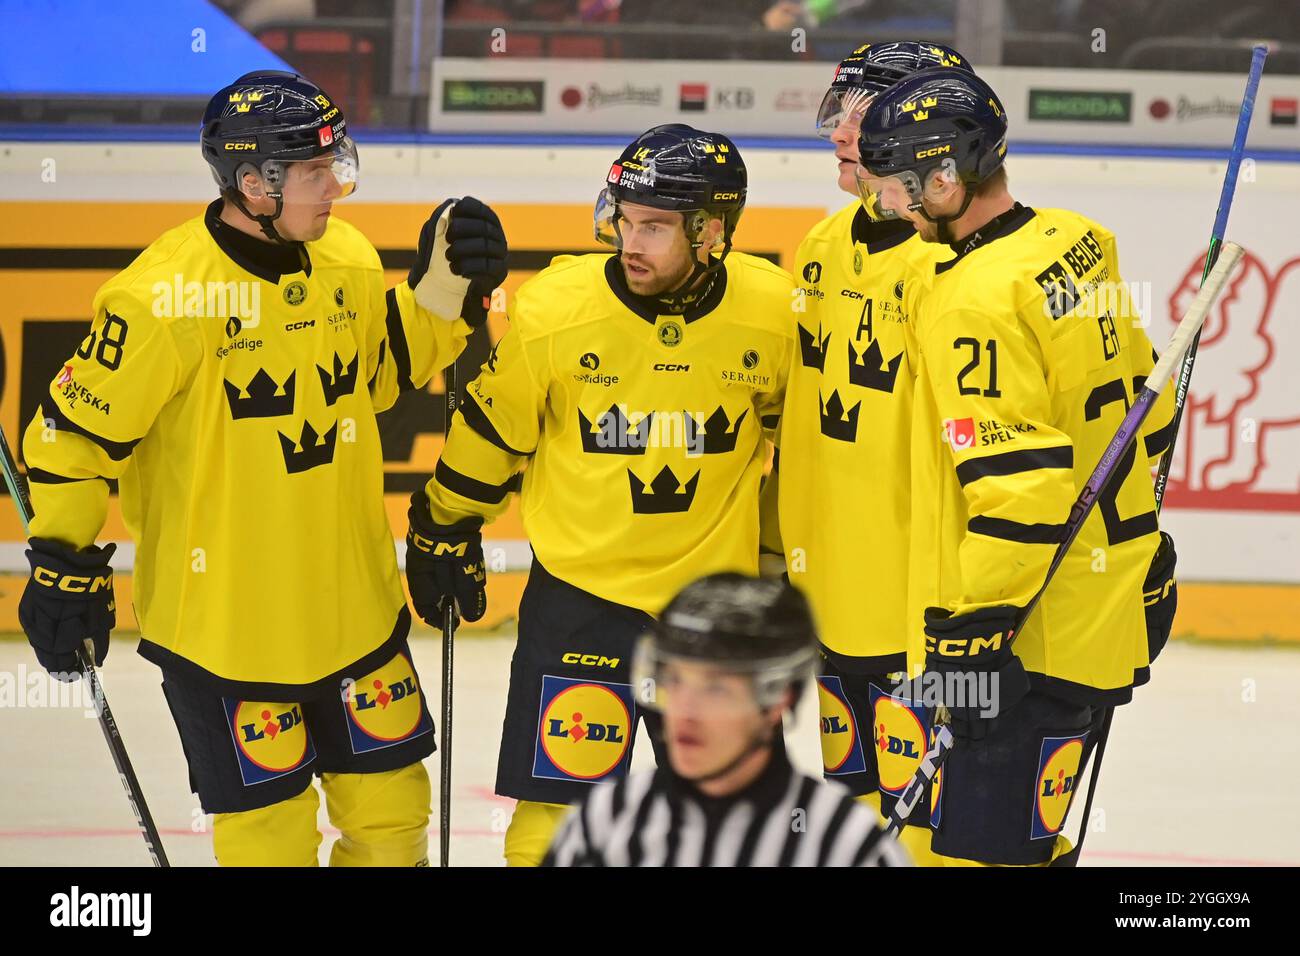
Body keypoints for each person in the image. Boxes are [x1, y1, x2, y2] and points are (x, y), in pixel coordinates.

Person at [17, 70, 508, 866]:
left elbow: (376, 377)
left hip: (355, 612)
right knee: (269, 847)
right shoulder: (162, 297)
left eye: (336, 161)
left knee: (393, 831)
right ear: (253, 183)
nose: (336, 187)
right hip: (227, 633)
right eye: (316, 171)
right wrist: (64, 566)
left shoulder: (340, 254)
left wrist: (442, 299)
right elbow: (72, 441)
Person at [406, 124, 797, 866]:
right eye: (624, 218)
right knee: (556, 818)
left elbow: (803, 458)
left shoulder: (774, 315)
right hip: (581, 598)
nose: (630, 241)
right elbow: (495, 432)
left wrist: (776, 561)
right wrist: (442, 527)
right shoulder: (557, 310)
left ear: (712, 231)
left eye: (654, 226)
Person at [856, 67, 1178, 866]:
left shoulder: (973, 301)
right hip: (1099, 603)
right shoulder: (1076, 241)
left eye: (901, 185)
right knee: (1025, 846)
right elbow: (1147, 406)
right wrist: (1141, 548)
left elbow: (1021, 485)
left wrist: (975, 629)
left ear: (945, 175)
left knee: (984, 857)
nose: (890, 204)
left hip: (1025, 634)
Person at [758, 40, 974, 867]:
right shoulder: (823, 243)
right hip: (832, 600)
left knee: (926, 828)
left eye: (864, 109)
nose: (840, 131)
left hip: (919, 612)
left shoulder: (952, 266)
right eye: (841, 107)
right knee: (851, 812)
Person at [543, 573, 911, 867]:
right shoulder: (605, 822)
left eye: (716, 689)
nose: (684, 711)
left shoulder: (847, 844)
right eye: (675, 680)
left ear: (777, 699)